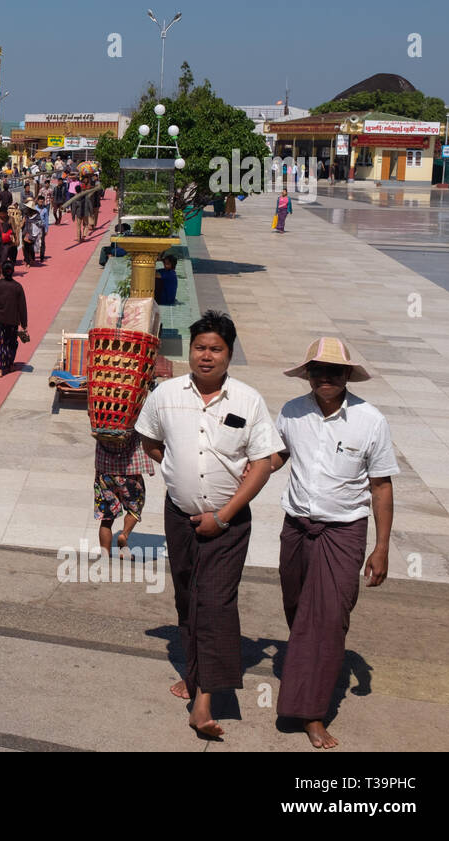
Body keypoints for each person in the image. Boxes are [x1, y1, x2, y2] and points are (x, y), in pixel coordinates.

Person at [134, 310, 284, 738]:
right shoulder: (165, 394)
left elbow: (262, 463)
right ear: (191, 350)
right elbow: (149, 438)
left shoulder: (248, 400)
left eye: (215, 349)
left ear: (229, 354)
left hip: (229, 523)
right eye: (200, 347)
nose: (206, 356)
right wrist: (176, 472)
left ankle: (204, 702)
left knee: (215, 603)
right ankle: (195, 672)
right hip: (178, 518)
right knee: (186, 596)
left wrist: (222, 515)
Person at [268, 338, 398, 749]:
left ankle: (312, 713)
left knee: (326, 620)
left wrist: (381, 548)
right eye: (318, 370)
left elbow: (380, 486)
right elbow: (275, 457)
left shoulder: (370, 420)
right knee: (297, 610)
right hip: (296, 529)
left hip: (343, 534)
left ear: (347, 376)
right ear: (307, 374)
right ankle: (310, 670)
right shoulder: (291, 412)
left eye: (335, 371)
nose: (326, 377)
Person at [94, 432, 154, 555]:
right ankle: (124, 535)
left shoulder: (101, 416)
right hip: (130, 471)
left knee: (106, 519)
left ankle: (105, 555)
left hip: (104, 470)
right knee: (135, 508)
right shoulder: (132, 416)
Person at [0, 260, 27, 377]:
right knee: (11, 342)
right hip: (12, 320)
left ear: (1, 271)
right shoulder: (18, 287)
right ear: (12, 272)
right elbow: (22, 307)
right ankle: (10, 363)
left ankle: (0, 369)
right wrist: (24, 324)